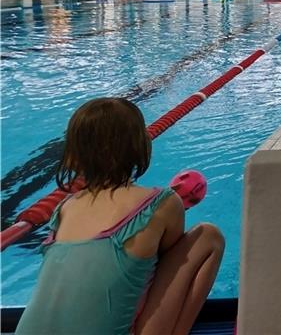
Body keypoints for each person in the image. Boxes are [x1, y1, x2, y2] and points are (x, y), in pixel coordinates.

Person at [16, 98, 225, 335]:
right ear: (140, 146)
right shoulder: (162, 202)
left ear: (74, 153)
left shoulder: (65, 207)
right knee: (209, 236)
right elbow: (169, 264)